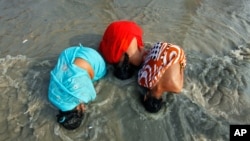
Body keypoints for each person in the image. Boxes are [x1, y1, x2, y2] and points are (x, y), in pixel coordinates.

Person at [48, 44, 107, 130]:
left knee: (101, 76)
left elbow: (91, 95)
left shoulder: (85, 95)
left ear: (80, 109)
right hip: (68, 54)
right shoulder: (52, 97)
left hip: (94, 57)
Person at [138, 42, 186, 113]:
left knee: (182, 63)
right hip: (159, 46)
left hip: (177, 50)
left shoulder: (177, 88)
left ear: (162, 99)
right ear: (145, 97)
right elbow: (146, 63)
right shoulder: (142, 80)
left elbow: (181, 69)